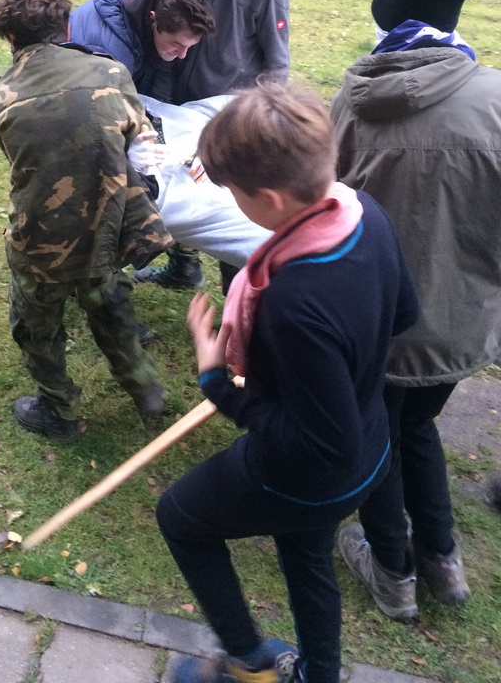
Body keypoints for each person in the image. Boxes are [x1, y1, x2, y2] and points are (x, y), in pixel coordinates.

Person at [155, 83, 418, 683]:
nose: (230, 202)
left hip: (310, 476)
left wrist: (217, 380)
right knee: (304, 549)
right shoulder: (363, 211)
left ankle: (249, 662)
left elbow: (323, 444)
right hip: (372, 443)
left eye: (233, 193)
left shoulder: (293, 300)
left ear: (270, 198)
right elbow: (404, 312)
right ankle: (318, 674)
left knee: (180, 517)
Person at [330, 0, 501, 619]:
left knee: (382, 436)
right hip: (456, 322)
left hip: (373, 321)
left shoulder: (352, 101)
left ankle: (395, 573)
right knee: (417, 423)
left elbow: (324, 207)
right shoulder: (495, 102)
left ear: (385, 6)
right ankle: (444, 563)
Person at [0, 0, 172, 443]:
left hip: (41, 233)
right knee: (108, 300)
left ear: (9, 37)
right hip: (108, 222)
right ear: (67, 27)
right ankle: (145, 387)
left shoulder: (3, 97)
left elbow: (17, 159)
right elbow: (141, 139)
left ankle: (59, 409)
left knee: (35, 323)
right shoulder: (110, 72)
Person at [136, 0, 290, 290]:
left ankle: (240, 299)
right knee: (180, 185)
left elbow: (277, 67)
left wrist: (255, 127)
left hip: (233, 113)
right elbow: (160, 44)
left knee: (234, 206)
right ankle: (184, 266)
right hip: (178, 103)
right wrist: (159, 106)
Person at [69, 0, 215, 103]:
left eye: (189, 47)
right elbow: (99, 114)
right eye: (175, 44)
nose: (182, 55)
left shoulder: (146, 7)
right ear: (153, 19)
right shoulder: (112, 58)